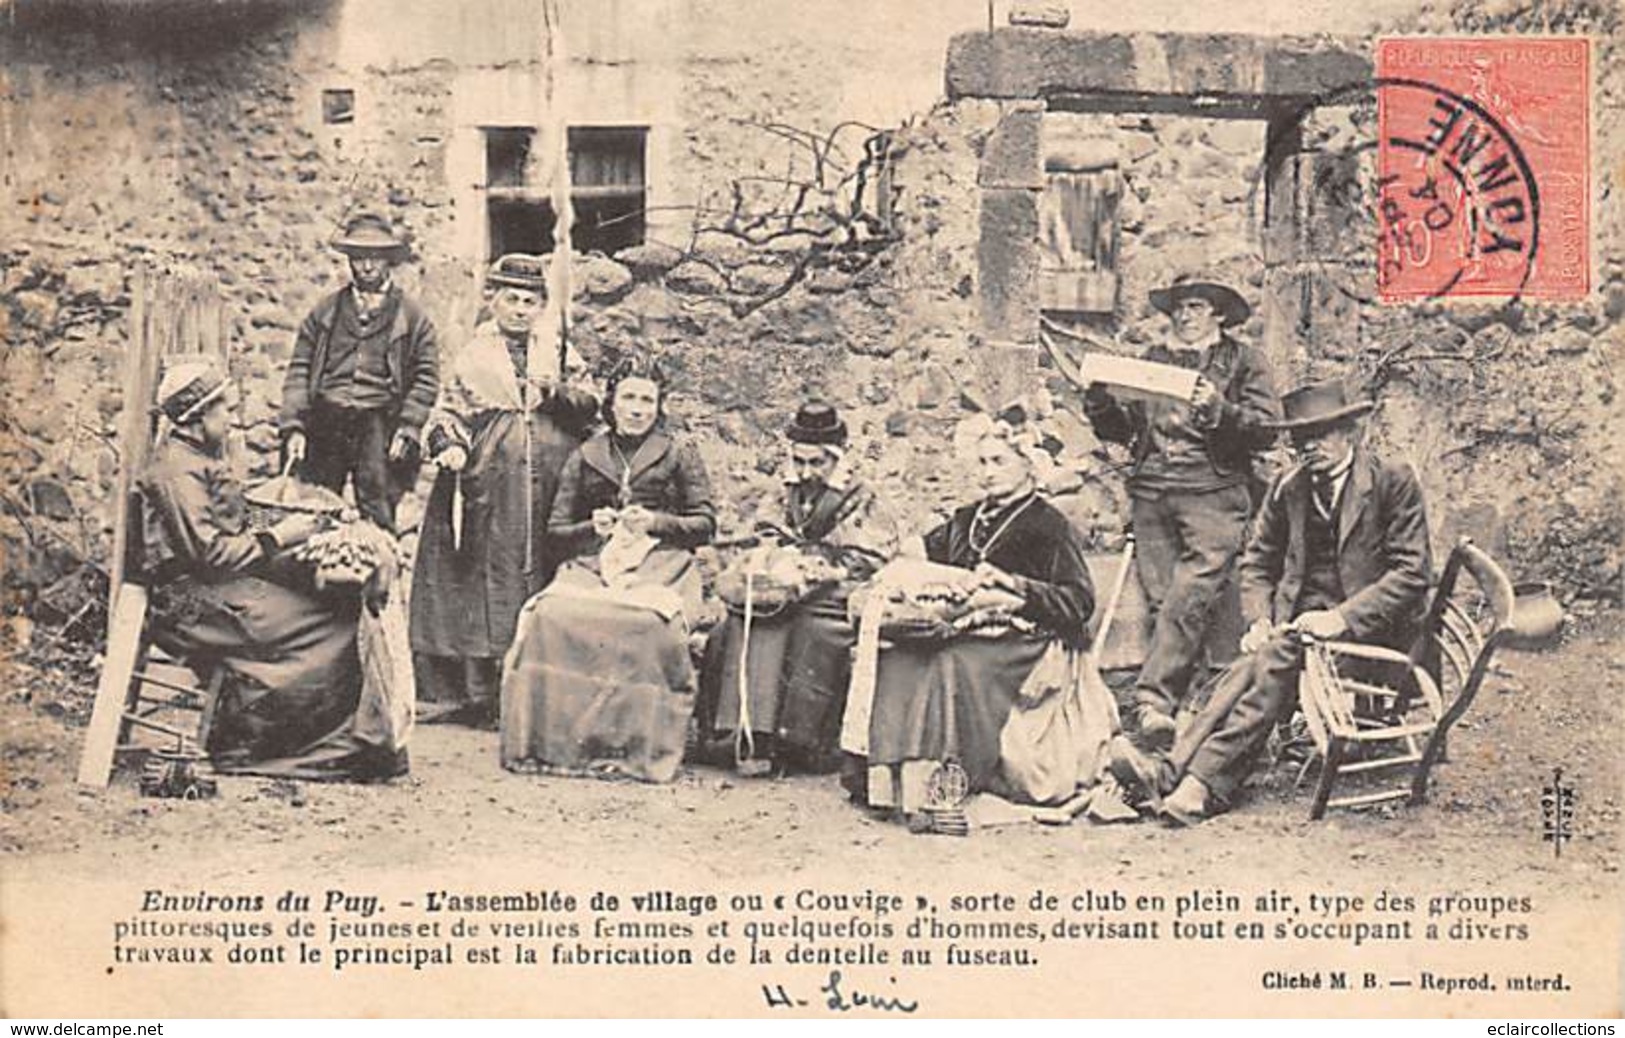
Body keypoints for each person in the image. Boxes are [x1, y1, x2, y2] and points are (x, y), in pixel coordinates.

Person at [1106, 379, 1432, 825]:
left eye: (1320, 434)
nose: (1310, 447)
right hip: (1304, 631)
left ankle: (1197, 781)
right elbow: (1257, 563)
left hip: (1378, 635)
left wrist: (1341, 618)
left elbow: (1413, 574)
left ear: (1349, 433)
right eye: (1300, 438)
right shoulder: (1290, 486)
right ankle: (1176, 776)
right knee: (1257, 659)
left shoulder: (1392, 482)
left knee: (1274, 659)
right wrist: (1258, 618)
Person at [140, 358, 406, 781]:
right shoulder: (175, 470)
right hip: (188, 603)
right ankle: (253, 748)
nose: (231, 417)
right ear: (195, 418)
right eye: (223, 409)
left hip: (220, 587)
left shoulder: (199, 456)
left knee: (336, 605)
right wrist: (281, 537)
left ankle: (330, 744)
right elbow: (208, 555)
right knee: (329, 624)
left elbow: (230, 530)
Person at [855, 416, 1096, 824]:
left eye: (999, 461)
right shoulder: (967, 519)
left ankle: (943, 791)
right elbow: (924, 553)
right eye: (981, 462)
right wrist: (899, 562)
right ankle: (893, 789)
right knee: (899, 655)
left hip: (1027, 641)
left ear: (1028, 464)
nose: (987, 472)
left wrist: (1015, 585)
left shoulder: (1048, 524)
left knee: (950, 663)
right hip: (968, 627)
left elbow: (1079, 601)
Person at [1082, 274, 1279, 750]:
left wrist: (1220, 409)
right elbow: (1125, 433)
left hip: (1214, 492)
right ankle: (1197, 709)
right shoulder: (1154, 360)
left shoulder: (1245, 362)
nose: (1184, 317)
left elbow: (1267, 429)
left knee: (1187, 596)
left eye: (1194, 307)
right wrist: (1098, 402)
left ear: (1218, 314)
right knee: (1162, 600)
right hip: (1152, 492)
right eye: (1178, 308)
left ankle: (1152, 703)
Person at [500, 355, 716, 783]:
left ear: (659, 406)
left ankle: (636, 747)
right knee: (550, 616)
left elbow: (706, 523)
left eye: (648, 400)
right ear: (612, 402)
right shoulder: (586, 454)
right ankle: (556, 746)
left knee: (647, 622)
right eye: (629, 397)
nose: (637, 409)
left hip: (662, 562)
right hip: (593, 560)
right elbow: (556, 531)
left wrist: (656, 522)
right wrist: (590, 527)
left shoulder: (679, 450)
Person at [410, 255, 599, 725]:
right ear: (492, 300)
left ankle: (542, 686)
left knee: (547, 568)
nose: (519, 309)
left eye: (529, 301)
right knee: (483, 576)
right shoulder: (475, 353)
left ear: (541, 307)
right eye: (510, 299)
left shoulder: (559, 351)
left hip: (552, 480)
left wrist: (554, 393)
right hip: (489, 482)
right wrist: (451, 446)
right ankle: (482, 691)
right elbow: (448, 414)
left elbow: (591, 403)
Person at [696, 402, 908, 775]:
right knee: (744, 617)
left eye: (817, 463)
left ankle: (797, 742)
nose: (807, 471)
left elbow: (870, 557)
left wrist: (815, 569)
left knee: (807, 626)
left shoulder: (862, 494)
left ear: (835, 458)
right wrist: (771, 557)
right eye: (800, 461)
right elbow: (765, 531)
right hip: (789, 586)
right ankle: (742, 732)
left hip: (839, 590)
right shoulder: (788, 488)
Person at [279, 211, 439, 532]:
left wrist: (408, 426)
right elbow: (299, 368)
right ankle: (316, 578)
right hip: (327, 419)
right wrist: (294, 426)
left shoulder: (412, 316)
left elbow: (426, 375)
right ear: (349, 261)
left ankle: (379, 575)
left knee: (377, 506)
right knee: (315, 506)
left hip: (379, 422)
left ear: (389, 261)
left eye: (375, 258)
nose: (366, 267)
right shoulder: (325, 311)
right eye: (358, 258)